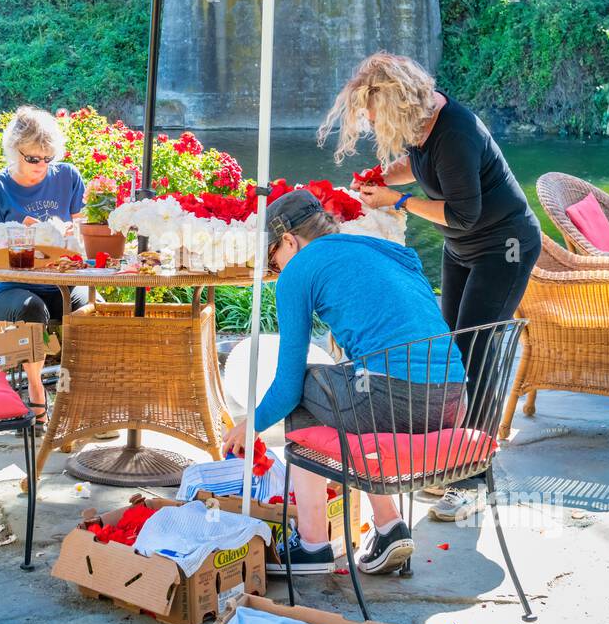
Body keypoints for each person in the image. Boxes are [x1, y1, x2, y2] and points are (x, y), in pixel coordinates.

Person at [319, 52, 541, 521]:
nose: (373, 121)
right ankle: (449, 458)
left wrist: (397, 200)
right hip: (463, 248)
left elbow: (464, 213)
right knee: (446, 353)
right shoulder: (423, 125)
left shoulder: (454, 132)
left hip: (502, 248)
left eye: (375, 111)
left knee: (476, 356)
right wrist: (378, 178)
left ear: (396, 100)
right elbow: (417, 168)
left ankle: (474, 478)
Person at [224, 190, 466, 576]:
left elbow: (287, 386)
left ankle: (314, 544)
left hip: (397, 399)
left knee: (303, 389)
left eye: (274, 259)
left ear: (289, 240)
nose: (277, 271)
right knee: (339, 392)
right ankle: (389, 527)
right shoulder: (386, 250)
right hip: (455, 400)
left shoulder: (301, 269)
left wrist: (249, 424)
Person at [0, 106, 87, 429]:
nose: (41, 166)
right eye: (33, 158)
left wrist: (68, 235)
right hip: (13, 289)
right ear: (14, 151)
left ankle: (78, 394)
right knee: (32, 311)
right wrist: (21, 235)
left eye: (47, 158)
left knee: (89, 312)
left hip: (61, 280)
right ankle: (37, 390)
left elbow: (82, 232)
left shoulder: (67, 176)